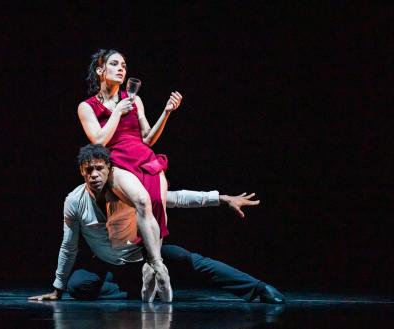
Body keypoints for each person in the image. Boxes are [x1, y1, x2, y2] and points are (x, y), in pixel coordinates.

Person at [28, 144, 285, 304]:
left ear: (109, 168)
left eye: (99, 168)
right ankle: (132, 291)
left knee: (191, 260)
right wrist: (57, 289)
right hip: (109, 266)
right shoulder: (74, 200)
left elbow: (176, 198)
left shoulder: (128, 190)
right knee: (77, 284)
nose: (94, 175)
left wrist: (221, 198)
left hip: (144, 258)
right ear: (81, 172)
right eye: (88, 170)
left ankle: (259, 290)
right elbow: (68, 246)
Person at [77, 49, 182, 301]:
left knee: (157, 205)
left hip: (143, 157)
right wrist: (117, 112)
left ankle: (149, 269)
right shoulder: (87, 106)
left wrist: (166, 112)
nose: (121, 68)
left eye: (124, 64)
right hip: (116, 160)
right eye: (114, 64)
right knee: (142, 201)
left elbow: (147, 138)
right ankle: (159, 267)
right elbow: (99, 140)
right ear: (100, 70)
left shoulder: (135, 100)